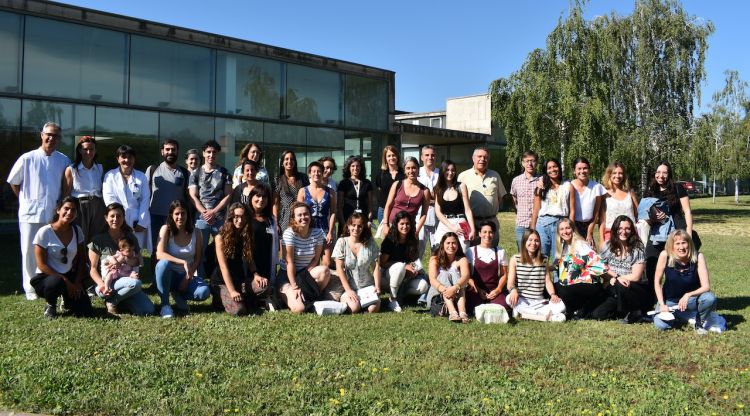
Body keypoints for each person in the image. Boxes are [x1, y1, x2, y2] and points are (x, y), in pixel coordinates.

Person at [7, 122, 71, 300]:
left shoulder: (63, 160)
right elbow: (14, 181)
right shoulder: (27, 158)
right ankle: (30, 288)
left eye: (56, 136)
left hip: (52, 214)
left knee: (51, 251)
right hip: (30, 214)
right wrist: (24, 199)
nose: (51, 138)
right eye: (48, 134)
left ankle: (47, 284)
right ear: (41, 135)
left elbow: (66, 185)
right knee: (28, 250)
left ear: (59, 139)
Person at [88, 203, 155, 316]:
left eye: (119, 216)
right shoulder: (98, 240)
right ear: (106, 218)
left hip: (126, 279)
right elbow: (93, 269)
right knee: (136, 284)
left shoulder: (130, 237)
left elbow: (138, 261)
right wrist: (102, 285)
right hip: (107, 283)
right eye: (112, 216)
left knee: (148, 310)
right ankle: (114, 298)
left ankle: (114, 301)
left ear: (123, 218)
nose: (115, 219)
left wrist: (122, 261)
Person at [31, 197, 92, 318]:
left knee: (85, 311)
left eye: (73, 210)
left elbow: (82, 259)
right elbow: (41, 265)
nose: (69, 212)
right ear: (58, 210)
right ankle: (50, 304)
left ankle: (67, 300)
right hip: (47, 278)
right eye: (66, 208)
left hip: (69, 275)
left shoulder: (77, 230)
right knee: (56, 281)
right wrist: (66, 281)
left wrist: (77, 282)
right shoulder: (44, 232)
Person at [643, 160, 696, 294]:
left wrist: (688, 233)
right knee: (650, 263)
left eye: (665, 172)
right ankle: (652, 297)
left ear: (669, 174)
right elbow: (645, 217)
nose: (661, 176)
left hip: (677, 233)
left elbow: (687, 211)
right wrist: (653, 219)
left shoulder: (678, 188)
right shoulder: (649, 191)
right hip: (656, 234)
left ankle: (680, 297)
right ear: (654, 174)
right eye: (658, 172)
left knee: (677, 267)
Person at [154, 200, 211, 318]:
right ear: (171, 215)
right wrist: (183, 262)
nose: (180, 217)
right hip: (167, 274)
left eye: (183, 213)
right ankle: (165, 305)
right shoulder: (166, 229)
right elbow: (159, 254)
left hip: (186, 275)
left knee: (204, 292)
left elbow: (198, 258)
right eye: (177, 214)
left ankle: (178, 294)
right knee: (163, 264)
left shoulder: (197, 232)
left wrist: (188, 275)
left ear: (188, 215)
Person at [653, 230, 717, 332]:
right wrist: (662, 304)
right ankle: (679, 316)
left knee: (709, 298)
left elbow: (706, 287)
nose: (681, 247)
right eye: (677, 243)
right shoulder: (665, 255)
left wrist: (688, 295)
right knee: (661, 325)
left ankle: (699, 322)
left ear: (689, 244)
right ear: (672, 246)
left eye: (684, 243)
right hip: (670, 301)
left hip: (691, 300)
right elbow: (657, 282)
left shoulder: (698, 257)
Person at [213, 203, 269, 316]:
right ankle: (220, 298)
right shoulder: (220, 237)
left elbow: (249, 258)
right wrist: (232, 291)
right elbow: (224, 267)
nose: (240, 220)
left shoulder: (246, 234)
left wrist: (256, 274)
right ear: (231, 217)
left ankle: (239, 297)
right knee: (239, 310)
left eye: (243, 216)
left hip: (239, 280)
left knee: (264, 286)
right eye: (236, 216)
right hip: (222, 282)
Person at [591, 215, 649, 323]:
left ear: (632, 231)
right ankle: (621, 310)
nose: (624, 231)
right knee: (597, 315)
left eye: (627, 228)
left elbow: (636, 276)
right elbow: (599, 267)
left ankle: (634, 312)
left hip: (633, 288)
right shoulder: (607, 246)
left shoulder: (638, 248)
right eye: (620, 228)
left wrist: (617, 278)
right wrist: (611, 277)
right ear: (615, 229)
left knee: (620, 284)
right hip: (614, 288)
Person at [278, 202, 331, 314]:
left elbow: (315, 260)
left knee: (324, 271)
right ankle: (282, 296)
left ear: (310, 216)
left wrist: (304, 278)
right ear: (294, 218)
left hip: (305, 272)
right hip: (287, 276)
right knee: (299, 309)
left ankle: (309, 296)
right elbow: (289, 263)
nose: (303, 217)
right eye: (299, 215)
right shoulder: (289, 234)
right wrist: (295, 286)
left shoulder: (318, 233)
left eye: (306, 214)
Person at [188, 140, 232, 272]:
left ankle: (218, 278)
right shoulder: (195, 173)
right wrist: (205, 212)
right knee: (199, 250)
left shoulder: (225, 173)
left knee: (222, 250)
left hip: (219, 218)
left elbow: (228, 195)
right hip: (201, 218)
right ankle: (199, 278)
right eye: (208, 152)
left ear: (217, 153)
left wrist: (213, 212)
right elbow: (192, 196)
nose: (211, 155)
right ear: (203, 153)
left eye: (214, 152)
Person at [506, 229, 565, 322]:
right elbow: (510, 283)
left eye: (536, 240)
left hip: (539, 302)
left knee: (561, 305)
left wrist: (553, 295)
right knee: (509, 298)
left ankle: (525, 314)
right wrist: (513, 290)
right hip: (522, 300)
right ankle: (545, 317)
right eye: (530, 240)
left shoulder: (544, 259)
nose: (533, 243)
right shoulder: (515, 259)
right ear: (525, 241)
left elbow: (547, 281)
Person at [553, 218, 607, 319]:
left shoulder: (580, 244)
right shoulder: (563, 247)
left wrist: (609, 278)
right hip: (572, 284)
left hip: (589, 284)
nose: (565, 232)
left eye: (568, 228)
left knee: (562, 289)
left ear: (573, 229)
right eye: (562, 229)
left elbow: (597, 264)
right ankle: (573, 309)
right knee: (554, 287)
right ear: (558, 232)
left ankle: (575, 310)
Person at [102, 145, 151, 252]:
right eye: (123, 157)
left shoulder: (141, 177)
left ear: (134, 159)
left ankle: (136, 269)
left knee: (135, 250)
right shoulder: (110, 176)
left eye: (130, 157)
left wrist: (141, 222)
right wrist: (119, 218)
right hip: (117, 219)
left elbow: (145, 199)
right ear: (118, 159)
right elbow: (109, 199)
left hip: (136, 220)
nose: (127, 160)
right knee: (116, 250)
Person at [378, 211, 430, 312]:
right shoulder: (390, 240)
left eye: (407, 224)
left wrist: (414, 269)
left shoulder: (413, 239)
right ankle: (392, 299)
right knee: (400, 267)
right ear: (396, 224)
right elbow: (382, 263)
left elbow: (414, 261)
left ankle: (401, 295)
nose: (405, 226)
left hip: (405, 276)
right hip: (387, 275)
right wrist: (404, 266)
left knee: (423, 286)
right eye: (402, 224)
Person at [145, 138, 190, 253]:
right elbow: (144, 194)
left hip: (177, 218)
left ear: (177, 151)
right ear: (162, 152)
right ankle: (156, 271)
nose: (170, 152)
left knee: (176, 249)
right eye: (167, 149)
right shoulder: (152, 170)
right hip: (156, 217)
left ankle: (176, 270)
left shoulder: (185, 173)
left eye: (173, 149)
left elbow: (188, 197)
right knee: (156, 249)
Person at [457, 147, 507, 247]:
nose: (482, 159)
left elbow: (500, 197)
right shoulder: (463, 176)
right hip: (471, 223)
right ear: (473, 158)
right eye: (479, 156)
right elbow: (458, 200)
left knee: (492, 253)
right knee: (471, 254)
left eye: (485, 157)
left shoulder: (495, 176)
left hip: (491, 223)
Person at [333, 213, 381, 313]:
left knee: (373, 309)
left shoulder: (370, 243)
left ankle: (364, 303)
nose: (356, 228)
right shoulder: (342, 242)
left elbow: (376, 267)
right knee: (354, 308)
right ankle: (355, 303)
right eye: (353, 225)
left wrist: (377, 286)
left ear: (363, 227)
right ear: (348, 226)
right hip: (349, 287)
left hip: (367, 287)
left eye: (359, 226)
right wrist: (348, 290)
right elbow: (339, 268)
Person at [62, 135, 106, 244]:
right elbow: (66, 193)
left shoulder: (99, 168)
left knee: (96, 237)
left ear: (95, 151)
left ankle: (92, 260)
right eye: (85, 149)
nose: (89, 152)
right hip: (80, 205)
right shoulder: (71, 169)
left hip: (97, 205)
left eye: (91, 149)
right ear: (80, 150)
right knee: (79, 236)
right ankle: (80, 260)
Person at [530, 158, 574, 259]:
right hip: (542, 225)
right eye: (549, 168)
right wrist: (532, 229)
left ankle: (557, 275)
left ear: (559, 168)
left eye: (555, 166)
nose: (553, 169)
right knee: (541, 256)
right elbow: (536, 209)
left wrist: (571, 227)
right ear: (546, 170)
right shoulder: (541, 187)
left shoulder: (568, 185)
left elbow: (572, 210)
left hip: (561, 224)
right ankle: (541, 275)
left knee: (558, 257)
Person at [426, 233, 472, 323]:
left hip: (457, 294)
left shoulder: (462, 260)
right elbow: (432, 280)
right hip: (437, 294)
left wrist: (454, 288)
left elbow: (466, 277)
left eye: (454, 243)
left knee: (459, 279)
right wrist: (445, 290)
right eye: (448, 243)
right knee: (445, 275)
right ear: (443, 245)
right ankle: (452, 312)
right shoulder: (435, 259)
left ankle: (462, 313)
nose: (451, 246)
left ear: (458, 245)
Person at [297, 161, 336, 266]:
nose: (316, 173)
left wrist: (330, 232)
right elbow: (298, 212)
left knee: (326, 262)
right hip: (308, 229)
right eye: (313, 171)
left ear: (323, 173)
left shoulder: (330, 192)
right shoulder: (303, 191)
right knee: (309, 261)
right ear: (309, 173)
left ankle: (323, 280)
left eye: (319, 171)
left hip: (324, 229)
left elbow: (333, 213)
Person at [465, 220, 509, 313]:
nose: (487, 235)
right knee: (472, 308)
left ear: (494, 234)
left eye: (490, 232)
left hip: (494, 290)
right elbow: (467, 276)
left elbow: (504, 275)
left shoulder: (500, 252)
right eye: (484, 232)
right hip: (476, 290)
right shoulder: (470, 251)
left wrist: (498, 290)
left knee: (503, 307)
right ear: (479, 233)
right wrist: (478, 289)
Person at [433, 159, 475, 252]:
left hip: (462, 223)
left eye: (453, 170)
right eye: (447, 170)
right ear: (443, 171)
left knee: (464, 252)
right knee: (440, 252)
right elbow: (438, 212)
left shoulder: (461, 186)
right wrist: (452, 227)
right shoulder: (438, 189)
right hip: (445, 223)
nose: (450, 173)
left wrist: (472, 229)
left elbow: (468, 210)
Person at [382, 157, 430, 237]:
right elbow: (388, 205)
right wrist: (386, 225)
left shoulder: (424, 191)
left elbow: (424, 214)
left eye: (414, 168)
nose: (411, 171)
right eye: (408, 168)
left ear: (418, 169)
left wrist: (417, 230)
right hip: (392, 226)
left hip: (409, 229)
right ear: (404, 170)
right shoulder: (397, 185)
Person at [247, 183, 279, 302]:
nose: (261, 200)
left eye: (264, 197)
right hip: (249, 265)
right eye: (258, 196)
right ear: (251, 197)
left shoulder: (271, 219)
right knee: (262, 288)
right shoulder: (245, 217)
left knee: (268, 287)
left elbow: (275, 245)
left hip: (267, 264)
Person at [568, 157, 606, 248]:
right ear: (574, 171)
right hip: (573, 225)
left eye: (585, 168)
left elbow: (596, 213)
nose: (582, 171)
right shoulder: (569, 185)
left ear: (589, 170)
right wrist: (573, 231)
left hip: (589, 225)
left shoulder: (597, 187)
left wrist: (590, 232)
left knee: (591, 257)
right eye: (579, 169)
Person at [599, 162, 638, 243]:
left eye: (620, 173)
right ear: (609, 174)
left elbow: (638, 214)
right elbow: (602, 221)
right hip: (611, 236)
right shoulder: (604, 194)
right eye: (614, 173)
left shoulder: (630, 193)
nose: (617, 176)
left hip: (630, 236)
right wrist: (602, 241)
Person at [273, 150, 309, 235]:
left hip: (301, 216)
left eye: (292, 159)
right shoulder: (277, 180)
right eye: (286, 159)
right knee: (285, 244)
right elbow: (275, 204)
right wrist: (275, 223)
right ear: (282, 163)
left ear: (295, 162)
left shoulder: (303, 177)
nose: (289, 161)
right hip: (284, 218)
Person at [510, 150, 540, 249]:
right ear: (522, 163)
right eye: (527, 161)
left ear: (537, 162)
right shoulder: (516, 181)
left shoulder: (542, 179)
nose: (530, 164)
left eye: (532, 161)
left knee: (538, 252)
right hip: (521, 223)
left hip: (539, 223)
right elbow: (514, 199)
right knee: (521, 252)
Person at [337, 155, 374, 230]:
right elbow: (340, 206)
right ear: (348, 168)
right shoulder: (343, 183)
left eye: (358, 166)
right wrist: (343, 223)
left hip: (362, 218)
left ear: (361, 168)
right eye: (352, 166)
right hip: (347, 217)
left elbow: (370, 204)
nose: (355, 168)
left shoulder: (367, 183)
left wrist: (370, 219)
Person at [417, 145, 439, 257]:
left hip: (438, 217)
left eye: (432, 155)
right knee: (418, 249)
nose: (430, 157)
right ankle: (415, 274)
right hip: (420, 216)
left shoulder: (442, 174)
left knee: (437, 250)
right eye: (427, 155)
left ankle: (435, 274)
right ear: (422, 157)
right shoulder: (417, 173)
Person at [373, 145, 404, 223]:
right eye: (389, 156)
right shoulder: (380, 174)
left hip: (400, 209)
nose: (391, 158)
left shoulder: (404, 173)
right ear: (385, 158)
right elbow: (379, 191)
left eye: (393, 155)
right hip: (383, 210)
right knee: (384, 234)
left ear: (397, 156)